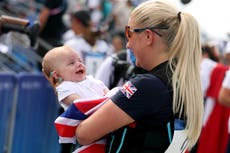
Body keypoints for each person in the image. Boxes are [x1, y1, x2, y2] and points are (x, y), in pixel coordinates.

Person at [74, 0, 204, 152]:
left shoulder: (148, 85)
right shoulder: (183, 82)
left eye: (129, 33)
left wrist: (65, 88)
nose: (127, 44)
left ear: (148, 36)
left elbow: (83, 133)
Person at [42, 45, 110, 152]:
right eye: (71, 63)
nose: (79, 64)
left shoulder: (92, 80)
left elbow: (108, 93)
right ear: (56, 75)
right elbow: (79, 104)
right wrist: (107, 102)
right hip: (89, 133)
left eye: (80, 61)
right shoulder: (64, 88)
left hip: (108, 122)